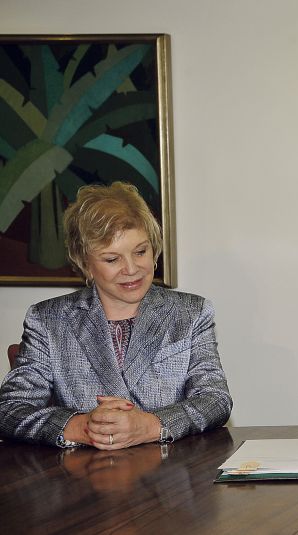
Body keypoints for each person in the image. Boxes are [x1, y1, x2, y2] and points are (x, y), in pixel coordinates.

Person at [0, 182, 232, 449]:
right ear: (84, 263)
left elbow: (215, 400)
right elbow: (9, 409)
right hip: (82, 479)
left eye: (140, 251)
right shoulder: (48, 319)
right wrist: (82, 427)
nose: (131, 269)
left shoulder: (190, 313)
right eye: (112, 259)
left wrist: (151, 425)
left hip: (171, 475)